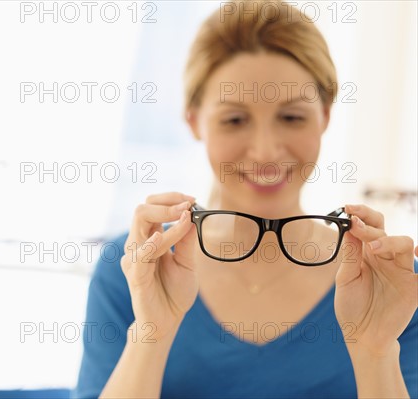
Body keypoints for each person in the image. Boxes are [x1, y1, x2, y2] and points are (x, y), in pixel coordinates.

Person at [74, 1, 418, 397]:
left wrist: (376, 352)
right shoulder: (134, 269)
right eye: (235, 120)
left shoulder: (391, 283)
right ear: (194, 121)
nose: (266, 152)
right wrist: (151, 333)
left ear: (325, 116)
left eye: (291, 117)